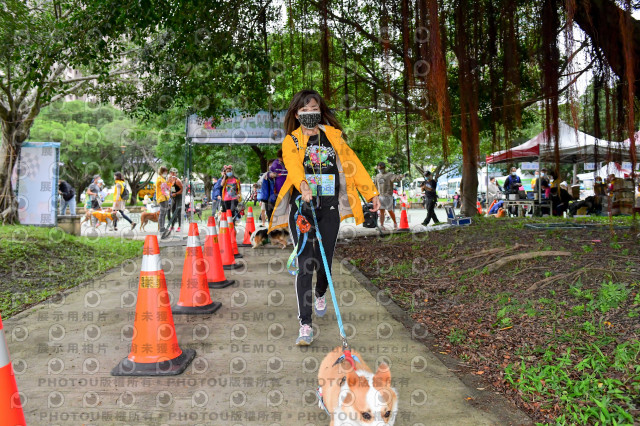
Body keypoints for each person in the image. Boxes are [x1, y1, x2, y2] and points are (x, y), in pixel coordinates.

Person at [268, 89, 380, 346]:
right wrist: (303, 184)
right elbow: (294, 166)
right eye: (304, 110)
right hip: (303, 209)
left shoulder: (333, 137)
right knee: (306, 262)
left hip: (329, 209)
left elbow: (353, 165)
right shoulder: (292, 141)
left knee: (324, 261)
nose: (309, 114)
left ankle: (321, 293)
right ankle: (305, 324)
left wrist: (370, 193)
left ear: (320, 110)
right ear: (296, 114)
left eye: (313, 108)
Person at [374, 162, 406, 230]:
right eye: (379, 168)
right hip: (380, 195)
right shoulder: (377, 176)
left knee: (390, 210)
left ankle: (395, 223)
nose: (380, 169)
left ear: (384, 167)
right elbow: (375, 186)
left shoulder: (389, 175)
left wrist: (402, 176)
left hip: (388, 195)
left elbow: (396, 178)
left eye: (382, 168)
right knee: (381, 211)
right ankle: (382, 225)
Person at [161, 168, 184, 238]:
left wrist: (176, 193)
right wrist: (170, 194)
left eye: (173, 173)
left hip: (179, 197)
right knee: (173, 211)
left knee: (178, 211)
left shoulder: (177, 181)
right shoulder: (169, 181)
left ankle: (180, 226)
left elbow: (182, 189)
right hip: (173, 197)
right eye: (171, 173)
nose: (172, 175)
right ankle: (172, 226)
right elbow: (169, 189)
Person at [155, 166, 170, 234]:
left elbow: (167, 188)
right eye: (165, 171)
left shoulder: (163, 179)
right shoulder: (160, 179)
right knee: (162, 213)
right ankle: (161, 228)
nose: (166, 172)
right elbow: (164, 188)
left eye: (166, 171)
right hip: (162, 198)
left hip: (165, 197)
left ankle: (163, 227)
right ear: (162, 172)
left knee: (164, 213)